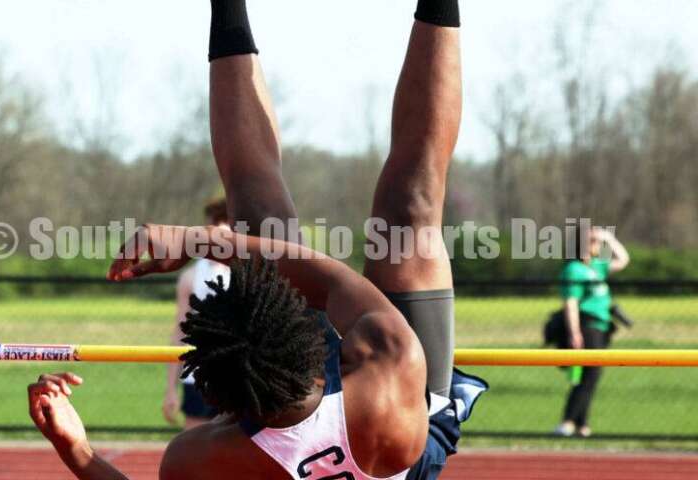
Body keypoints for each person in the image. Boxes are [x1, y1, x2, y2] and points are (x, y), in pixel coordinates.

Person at [26, 1, 486, 478]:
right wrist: (201, 241)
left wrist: (76, 449)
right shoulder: (389, 355)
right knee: (407, 213)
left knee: (259, 217)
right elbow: (325, 277)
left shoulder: (200, 455)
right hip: (403, 422)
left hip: (311, 416)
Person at [554, 227, 630, 438]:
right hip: (587, 326)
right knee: (589, 376)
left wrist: (610, 238)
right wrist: (574, 332)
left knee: (591, 376)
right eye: (592, 241)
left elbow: (623, 260)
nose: (596, 244)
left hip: (602, 327)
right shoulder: (574, 269)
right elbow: (570, 303)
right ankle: (569, 421)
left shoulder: (597, 266)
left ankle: (581, 424)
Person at [163, 199, 231, 429]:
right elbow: (179, 334)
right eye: (212, 229)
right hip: (199, 375)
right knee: (194, 448)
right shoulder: (191, 276)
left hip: (237, 375)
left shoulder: (248, 272)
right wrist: (170, 389)